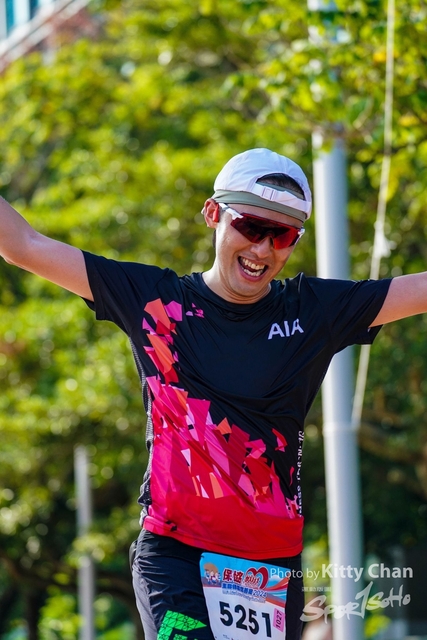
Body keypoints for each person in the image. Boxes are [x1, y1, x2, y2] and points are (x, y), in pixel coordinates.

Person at [1, 147, 426, 640]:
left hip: (270, 565)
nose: (262, 250)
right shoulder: (154, 302)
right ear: (212, 214)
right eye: (249, 226)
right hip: (175, 556)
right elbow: (24, 246)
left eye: (282, 236)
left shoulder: (313, 312)